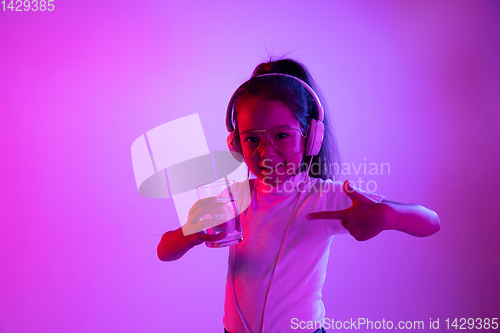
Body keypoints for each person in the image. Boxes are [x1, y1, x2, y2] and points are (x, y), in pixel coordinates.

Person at [157, 59, 441, 333]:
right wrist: (192, 234)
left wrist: (388, 215)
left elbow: (432, 222)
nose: (266, 153)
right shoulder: (234, 197)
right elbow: (164, 250)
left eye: (281, 136)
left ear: (310, 136)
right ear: (236, 145)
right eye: (252, 139)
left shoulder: (323, 198)